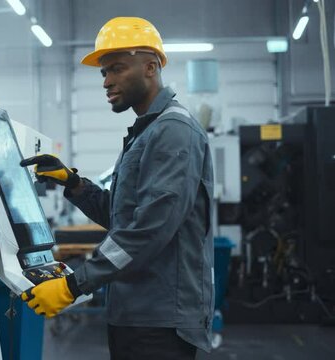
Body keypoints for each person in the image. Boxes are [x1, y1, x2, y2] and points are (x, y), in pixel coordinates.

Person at [20, 17, 214, 359]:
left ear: (151, 67)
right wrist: (76, 185)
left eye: (117, 69)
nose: (107, 81)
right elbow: (123, 218)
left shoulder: (173, 131)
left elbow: (149, 230)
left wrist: (72, 285)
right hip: (136, 312)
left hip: (160, 319)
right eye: (104, 73)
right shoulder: (146, 131)